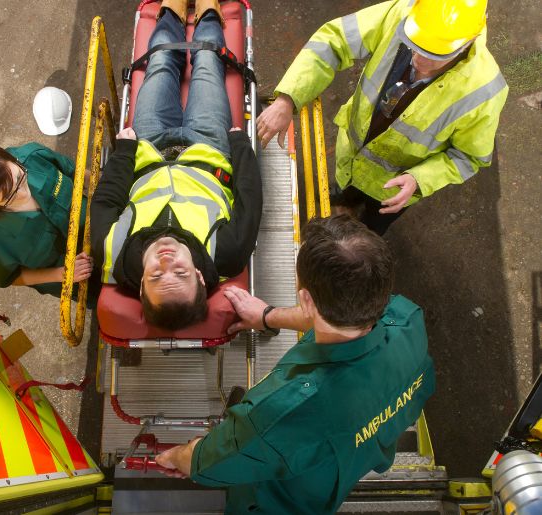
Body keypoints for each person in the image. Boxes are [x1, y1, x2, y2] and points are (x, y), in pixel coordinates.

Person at [155, 215, 435, 514]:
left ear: (306, 299)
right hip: (346, 465)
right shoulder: (407, 320)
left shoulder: (283, 412)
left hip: (281, 502)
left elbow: (208, 460)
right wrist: (266, 316)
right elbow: (342, 316)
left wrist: (176, 457)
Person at [257, 0, 508, 235]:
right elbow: (335, 39)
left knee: (368, 230)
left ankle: (365, 226)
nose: (418, 59)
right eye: (414, 43)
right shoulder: (403, 12)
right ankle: (346, 195)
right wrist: (287, 99)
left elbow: (468, 157)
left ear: (471, 40)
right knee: (346, 187)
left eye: (435, 54)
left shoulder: (484, 92)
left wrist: (419, 180)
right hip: (353, 156)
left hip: (392, 189)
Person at [90, 0, 262, 330]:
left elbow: (106, 199)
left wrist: (125, 151)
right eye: (180, 272)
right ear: (199, 274)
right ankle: (210, 10)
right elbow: (250, 197)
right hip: (207, 145)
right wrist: (240, 145)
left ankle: (171, 10)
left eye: (155, 275)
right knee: (208, 59)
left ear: (141, 286)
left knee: (160, 62)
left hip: (150, 146)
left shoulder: (113, 252)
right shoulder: (227, 254)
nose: (166, 261)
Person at [0, 142, 94, 299]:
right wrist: (62, 274)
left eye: (19, 178)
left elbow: (75, 172)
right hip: (78, 278)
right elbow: (11, 277)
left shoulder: (33, 157)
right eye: (8, 196)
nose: (23, 193)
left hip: (98, 225)